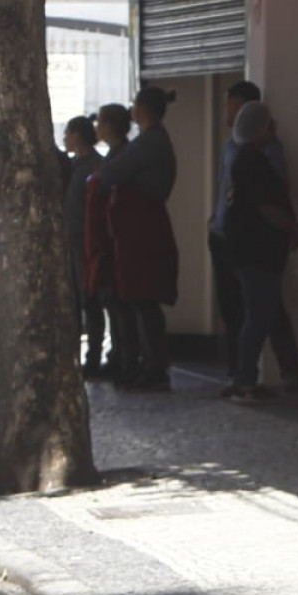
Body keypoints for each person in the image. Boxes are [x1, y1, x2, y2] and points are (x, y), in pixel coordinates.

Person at [208, 81, 298, 390]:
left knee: (260, 311)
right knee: (258, 313)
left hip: (245, 246)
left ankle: (247, 374)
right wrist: (293, 228)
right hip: (254, 249)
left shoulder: (260, 156)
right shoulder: (252, 161)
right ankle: (245, 377)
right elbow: (266, 205)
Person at [98, 86, 179, 391]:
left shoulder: (150, 142)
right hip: (139, 227)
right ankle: (148, 361)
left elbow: (110, 174)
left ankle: (154, 365)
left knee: (143, 299)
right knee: (140, 299)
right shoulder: (153, 140)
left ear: (141, 110)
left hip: (142, 228)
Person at [83, 103, 138, 385]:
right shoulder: (112, 157)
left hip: (112, 243)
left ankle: (126, 360)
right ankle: (118, 357)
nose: (97, 128)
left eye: (100, 123)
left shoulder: (121, 159)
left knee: (120, 306)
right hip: (104, 243)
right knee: (112, 304)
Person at [62, 115, 107, 376]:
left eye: (68, 132)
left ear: (78, 135)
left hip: (86, 241)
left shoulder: (94, 166)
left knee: (90, 300)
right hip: (70, 240)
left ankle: (93, 357)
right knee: (74, 302)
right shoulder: (73, 165)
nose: (65, 138)